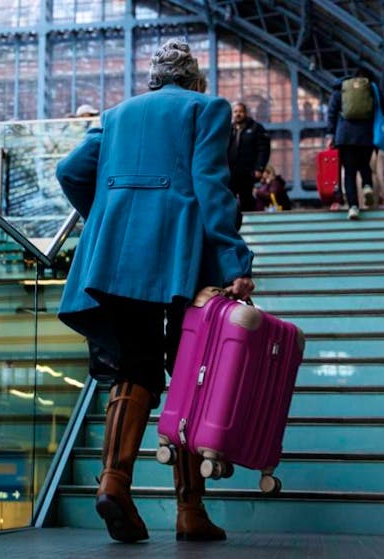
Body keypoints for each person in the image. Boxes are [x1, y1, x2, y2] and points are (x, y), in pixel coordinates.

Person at [55, 38, 254, 544]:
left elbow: (70, 171)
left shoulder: (116, 114)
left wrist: (107, 211)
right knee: (190, 372)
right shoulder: (206, 109)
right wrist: (235, 260)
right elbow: (211, 187)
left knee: (134, 366)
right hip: (183, 258)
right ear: (194, 79)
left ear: (153, 78)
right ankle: (190, 511)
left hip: (117, 255)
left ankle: (113, 482)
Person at [326, 69, 384, 220]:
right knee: (364, 164)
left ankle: (353, 207)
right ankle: (367, 186)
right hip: (366, 135)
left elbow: (332, 112)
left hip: (345, 136)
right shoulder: (371, 88)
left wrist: (330, 134)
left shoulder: (340, 88)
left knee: (349, 172)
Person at [227, 101, 271, 213]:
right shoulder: (228, 129)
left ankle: (249, 225)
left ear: (246, 113)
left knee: (246, 200)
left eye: (240, 111)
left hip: (247, 172)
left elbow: (263, 150)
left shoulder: (256, 128)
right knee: (229, 200)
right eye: (235, 111)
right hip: (230, 172)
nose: (238, 114)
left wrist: (259, 168)